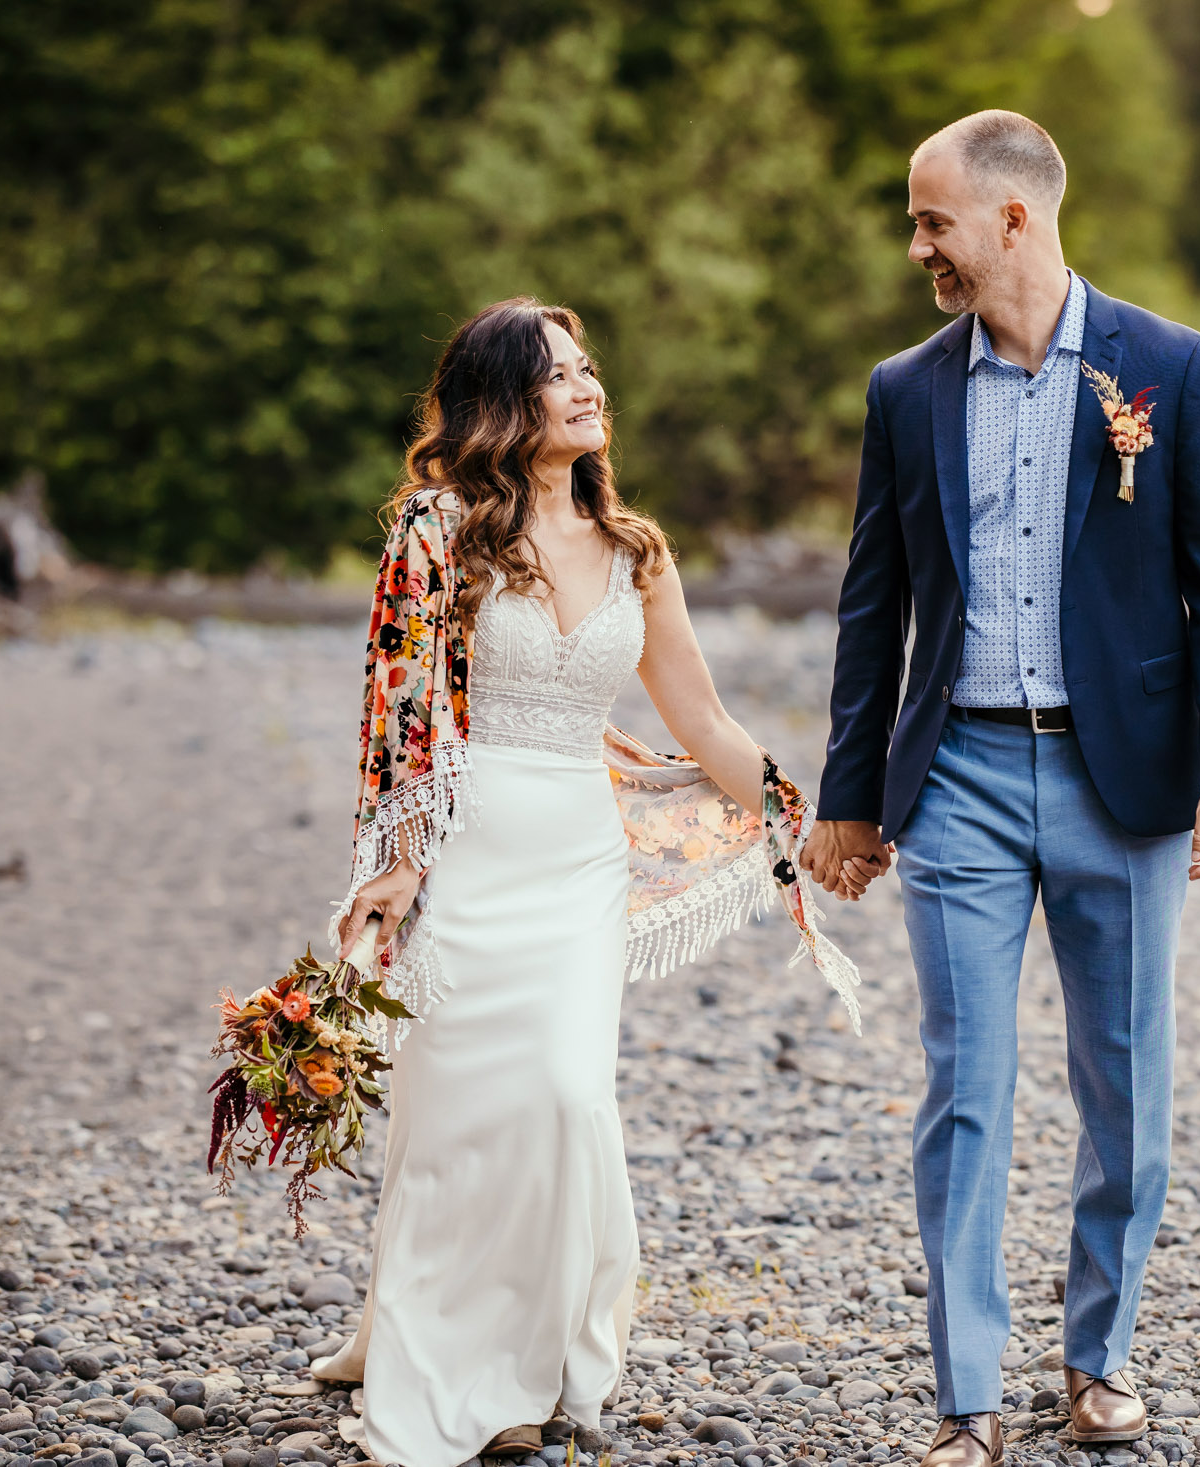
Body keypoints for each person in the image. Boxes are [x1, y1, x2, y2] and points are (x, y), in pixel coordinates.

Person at [799, 111, 1200, 1467]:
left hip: (1122, 780)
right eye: (915, 220)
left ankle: (1101, 1358)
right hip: (956, 779)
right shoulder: (906, 390)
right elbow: (870, 605)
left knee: (1125, 1085)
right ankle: (966, 1398)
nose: (917, 246)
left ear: (1013, 217)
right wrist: (852, 792)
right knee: (966, 1087)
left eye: (932, 219)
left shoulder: (1165, 369)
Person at [306, 298, 849, 1466]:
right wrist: (393, 869)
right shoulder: (434, 531)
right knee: (452, 1117)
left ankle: (534, 1355)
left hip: (576, 861)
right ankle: (433, 1354)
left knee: (562, 1097)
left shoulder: (636, 552)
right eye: (561, 375)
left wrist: (802, 808)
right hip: (466, 851)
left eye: (589, 368)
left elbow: (698, 719)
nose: (590, 388)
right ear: (506, 404)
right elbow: (400, 717)